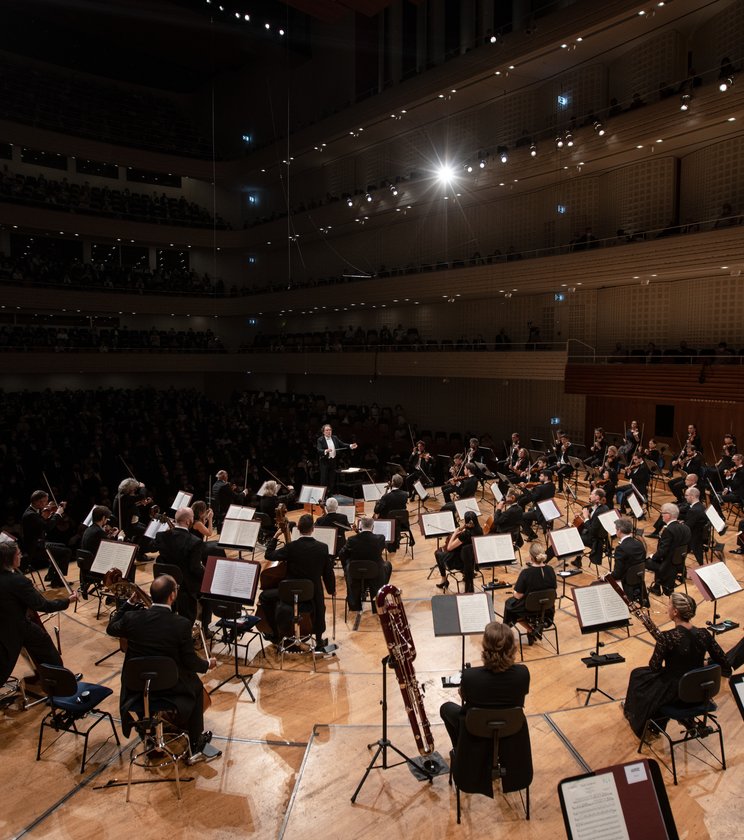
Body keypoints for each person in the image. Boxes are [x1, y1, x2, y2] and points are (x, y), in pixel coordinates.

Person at [106, 574, 217, 759]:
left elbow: (111, 627)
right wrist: (207, 664)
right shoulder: (180, 624)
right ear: (172, 596)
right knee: (196, 687)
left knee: (145, 676)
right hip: (170, 686)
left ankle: (148, 736)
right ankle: (196, 746)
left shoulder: (132, 618)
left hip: (137, 686)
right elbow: (190, 662)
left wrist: (129, 604)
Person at [439, 622, 531, 797]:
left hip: (476, 731)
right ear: (513, 648)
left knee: (446, 708)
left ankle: (460, 749)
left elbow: (465, 697)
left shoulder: (470, 677)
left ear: (485, 648)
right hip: (511, 732)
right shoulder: (523, 674)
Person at [623, 592, 731, 737]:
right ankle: (673, 721)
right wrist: (704, 663)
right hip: (700, 691)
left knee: (638, 675)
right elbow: (724, 662)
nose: (667, 607)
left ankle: (647, 723)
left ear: (675, 612)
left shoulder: (667, 637)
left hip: (676, 694)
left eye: (669, 604)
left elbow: (654, 667)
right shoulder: (704, 634)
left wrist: (665, 650)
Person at [0, 540, 78, 688]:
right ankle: (61, 684)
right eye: (18, 554)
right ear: (11, 558)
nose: (21, 556)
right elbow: (43, 605)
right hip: (16, 627)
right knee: (48, 650)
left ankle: (42, 676)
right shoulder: (18, 581)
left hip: (4, 627)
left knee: (32, 647)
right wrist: (68, 600)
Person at [260, 514, 336, 648]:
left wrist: (276, 536)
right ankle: (318, 640)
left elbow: (269, 555)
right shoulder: (322, 548)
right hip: (311, 593)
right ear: (313, 529)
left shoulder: (291, 547)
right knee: (319, 598)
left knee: (264, 597)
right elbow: (328, 573)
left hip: (289, 593)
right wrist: (331, 590)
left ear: (298, 529)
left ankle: (275, 633)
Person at [154, 507, 208, 626]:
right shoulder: (195, 542)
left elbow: (152, 549)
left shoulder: (161, 536)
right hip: (185, 588)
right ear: (189, 521)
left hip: (165, 584)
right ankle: (203, 628)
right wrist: (207, 576)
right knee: (208, 591)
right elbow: (195, 568)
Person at [338, 516, 391, 611]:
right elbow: (371, 545)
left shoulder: (351, 540)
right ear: (373, 526)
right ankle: (379, 598)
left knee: (349, 568)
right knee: (388, 565)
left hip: (356, 573)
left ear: (361, 525)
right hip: (375, 574)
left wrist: (346, 567)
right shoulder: (380, 539)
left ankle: (355, 605)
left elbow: (342, 554)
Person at [21, 490, 70, 585]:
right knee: (66, 552)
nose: (47, 504)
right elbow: (47, 527)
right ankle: (56, 580)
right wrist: (58, 513)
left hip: (39, 543)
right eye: (45, 501)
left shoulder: (33, 511)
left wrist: (49, 515)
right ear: (37, 502)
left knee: (62, 546)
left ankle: (51, 575)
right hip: (35, 548)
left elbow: (41, 524)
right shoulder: (30, 515)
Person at [503, 542, 557, 627]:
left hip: (529, 609)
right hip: (547, 608)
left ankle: (507, 630)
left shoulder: (526, 573)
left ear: (531, 557)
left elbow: (518, 596)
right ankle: (532, 629)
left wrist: (514, 593)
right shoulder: (550, 570)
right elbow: (553, 589)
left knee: (509, 604)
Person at [645, 503, 691, 596]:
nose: (661, 515)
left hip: (667, 566)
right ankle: (656, 587)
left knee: (644, 561)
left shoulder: (669, 530)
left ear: (668, 515)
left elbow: (662, 552)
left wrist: (652, 556)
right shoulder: (686, 527)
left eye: (663, 513)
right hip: (679, 564)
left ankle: (658, 585)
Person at [434, 510, 483, 593]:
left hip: (460, 562)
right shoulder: (479, 530)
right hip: (474, 561)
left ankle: (444, 579)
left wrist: (455, 533)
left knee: (437, 553)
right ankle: (464, 574)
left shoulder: (466, 534)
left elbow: (449, 547)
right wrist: (464, 527)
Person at [610, 518, 647, 602]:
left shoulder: (620, 548)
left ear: (619, 530)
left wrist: (606, 577)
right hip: (638, 579)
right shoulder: (639, 543)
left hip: (626, 582)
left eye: (616, 529)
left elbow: (617, 574)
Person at [316, 424, 357, 491]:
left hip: (333, 461)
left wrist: (350, 446)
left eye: (330, 430)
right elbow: (319, 449)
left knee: (332, 479)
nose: (329, 431)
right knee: (324, 479)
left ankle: (330, 494)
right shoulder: (320, 440)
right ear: (323, 432)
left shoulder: (334, 438)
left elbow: (342, 444)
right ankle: (323, 496)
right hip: (324, 462)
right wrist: (326, 450)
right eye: (327, 430)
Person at [373, 474, 409, 550]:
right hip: (401, 522)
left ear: (392, 482)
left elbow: (376, 510)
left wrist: (379, 502)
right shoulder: (405, 495)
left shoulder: (386, 497)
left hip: (388, 522)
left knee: (375, 518)